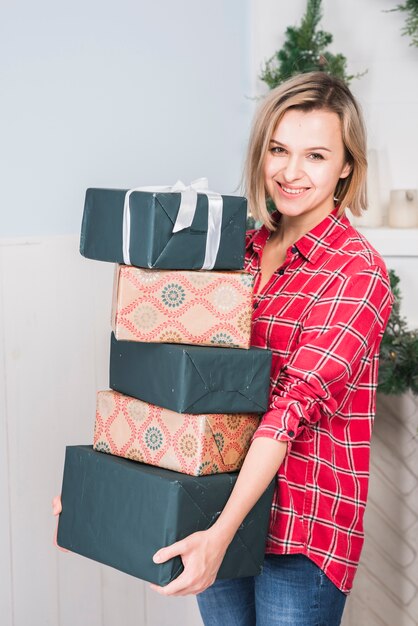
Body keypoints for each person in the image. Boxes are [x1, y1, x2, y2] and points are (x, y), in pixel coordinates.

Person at [147, 72, 394, 625]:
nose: (290, 171)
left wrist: (220, 532)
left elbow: (290, 410)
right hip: (214, 507)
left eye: (315, 155)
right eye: (278, 149)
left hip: (301, 527)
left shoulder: (356, 273)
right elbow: (180, 375)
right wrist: (111, 492)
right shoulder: (239, 252)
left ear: (347, 165)